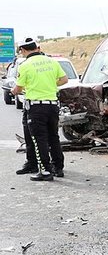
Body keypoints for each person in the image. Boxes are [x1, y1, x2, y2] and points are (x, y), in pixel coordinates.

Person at [11, 38, 68, 181]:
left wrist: (13, 91)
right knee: (53, 137)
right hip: (53, 105)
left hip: (36, 107)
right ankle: (58, 167)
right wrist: (49, 84)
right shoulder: (51, 61)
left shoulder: (25, 65)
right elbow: (64, 79)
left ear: (23, 50)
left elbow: (18, 88)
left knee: (39, 139)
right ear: (37, 48)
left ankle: (45, 171)